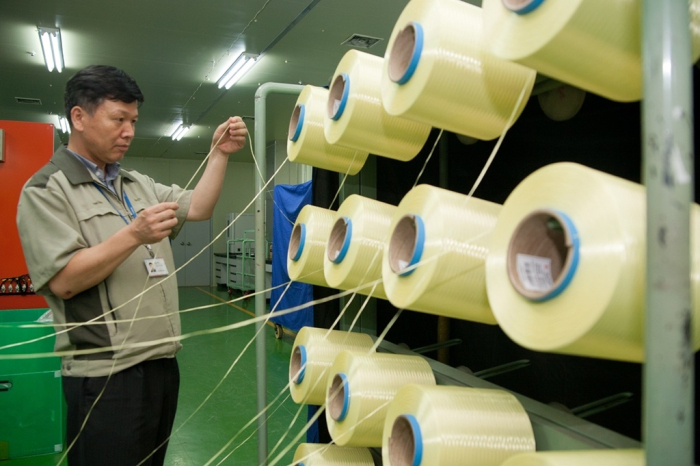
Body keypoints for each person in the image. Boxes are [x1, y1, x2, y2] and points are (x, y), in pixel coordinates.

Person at [16, 65, 247, 465]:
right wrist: (134, 234)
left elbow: (201, 206)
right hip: (105, 373)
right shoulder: (47, 190)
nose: (129, 132)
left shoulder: (136, 184)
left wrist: (219, 155)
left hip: (160, 363)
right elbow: (66, 281)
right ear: (79, 117)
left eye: (133, 121)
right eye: (118, 119)